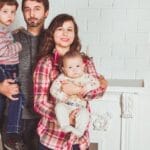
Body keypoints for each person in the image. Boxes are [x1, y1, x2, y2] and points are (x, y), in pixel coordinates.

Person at [33, 13, 107, 150]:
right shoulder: (45, 63)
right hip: (52, 138)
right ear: (52, 33)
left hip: (79, 140)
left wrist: (79, 90)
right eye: (60, 29)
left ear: (74, 34)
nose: (65, 33)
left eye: (69, 29)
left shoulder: (85, 61)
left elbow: (97, 91)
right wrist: (65, 118)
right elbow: (39, 103)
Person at [1, 0, 49, 150]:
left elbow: (74, 64)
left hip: (45, 118)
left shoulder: (54, 39)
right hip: (13, 118)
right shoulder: (10, 38)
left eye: (37, 9)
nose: (32, 13)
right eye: (27, 9)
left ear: (46, 12)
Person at [50, 51, 100, 138]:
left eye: (77, 66)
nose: (74, 70)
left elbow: (97, 83)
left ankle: (79, 131)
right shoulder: (62, 77)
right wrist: (61, 95)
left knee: (85, 113)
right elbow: (53, 89)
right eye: (70, 67)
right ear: (63, 69)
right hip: (66, 105)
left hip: (80, 107)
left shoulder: (86, 77)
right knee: (59, 107)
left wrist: (88, 87)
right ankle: (65, 125)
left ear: (83, 66)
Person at [0, 0, 24, 145]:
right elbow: (3, 50)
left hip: (9, 67)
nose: (10, 16)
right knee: (17, 96)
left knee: (6, 100)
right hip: (6, 68)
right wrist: (18, 46)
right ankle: (12, 132)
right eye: (5, 12)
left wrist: (14, 32)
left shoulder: (4, 30)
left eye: (13, 12)